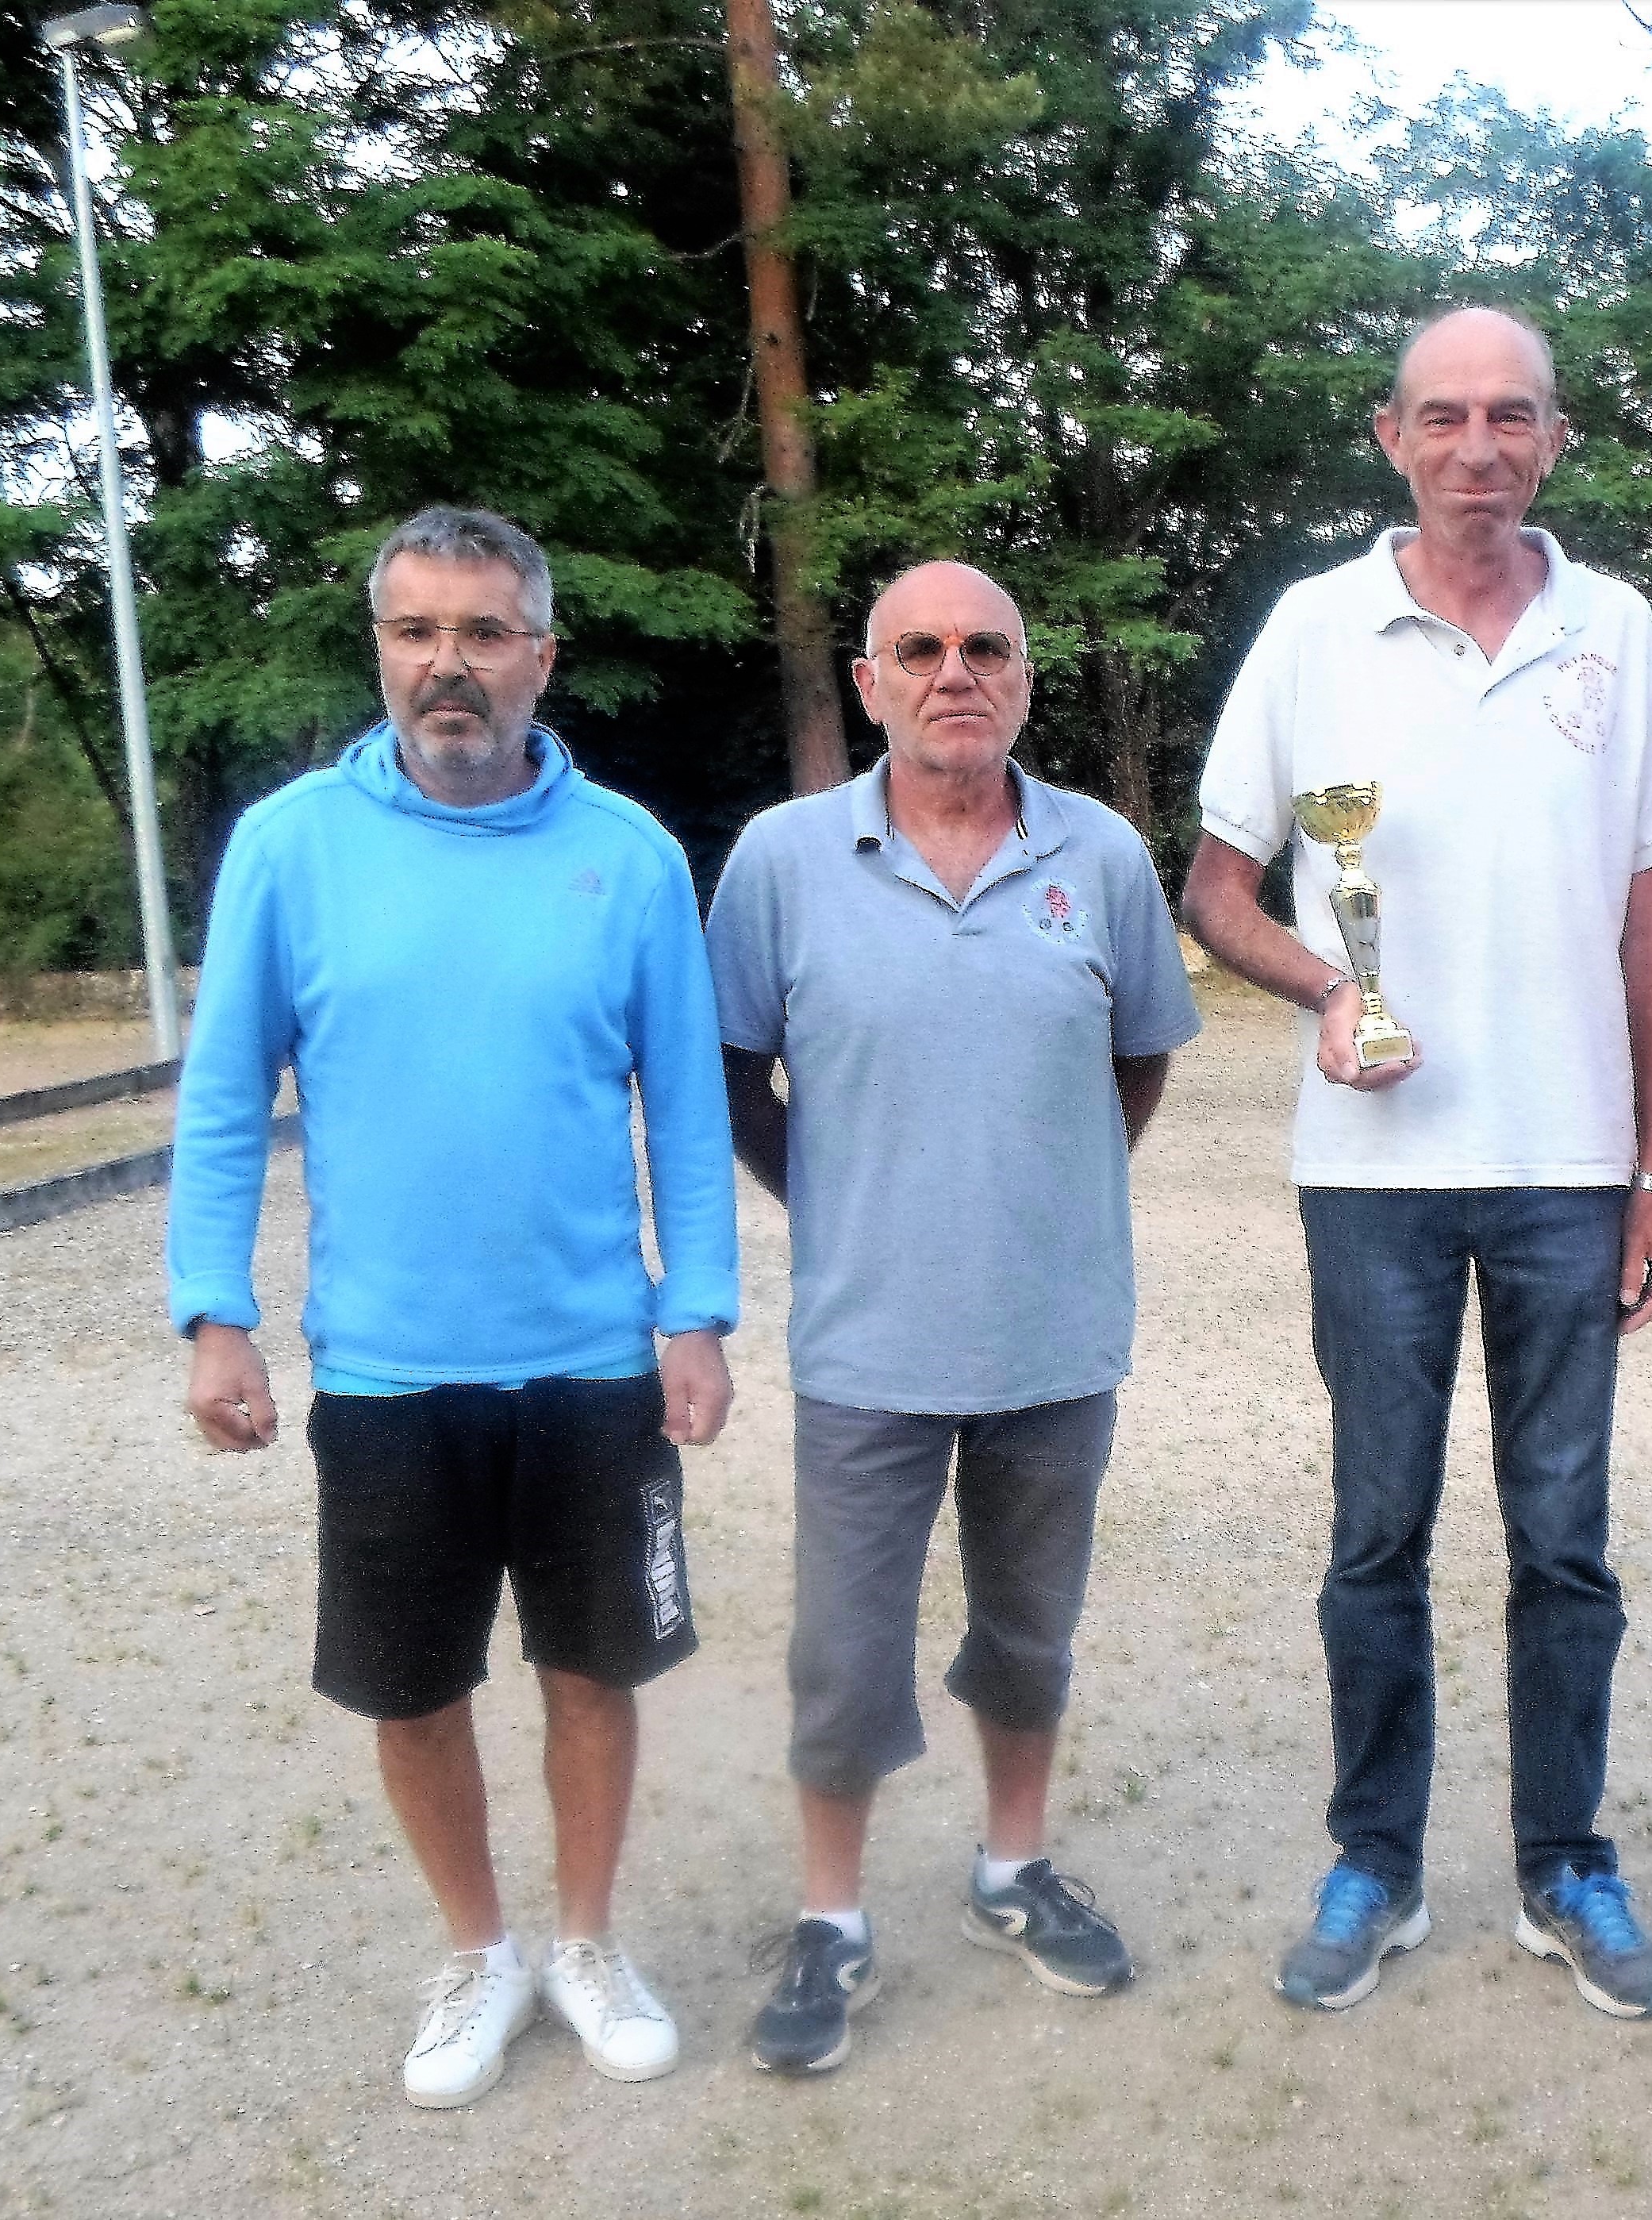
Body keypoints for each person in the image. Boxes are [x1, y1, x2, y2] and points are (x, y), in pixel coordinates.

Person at [167, 505, 739, 2107]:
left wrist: (694, 1309)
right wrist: (213, 1309)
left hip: (587, 1360)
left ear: (541, 657)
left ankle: (583, 1938)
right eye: (416, 631)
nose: (448, 665)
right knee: (413, 1685)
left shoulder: (625, 855)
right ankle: (478, 1949)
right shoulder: (289, 848)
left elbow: (684, 1108)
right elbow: (223, 1099)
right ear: (380, 650)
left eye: (484, 633)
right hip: (386, 1370)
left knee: (592, 1670)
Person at [1183, 307, 1652, 2021]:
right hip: (1373, 1172)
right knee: (1372, 1537)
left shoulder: (1615, 631)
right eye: (1444, 415)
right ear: (1387, 434)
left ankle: (1564, 1863)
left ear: (1554, 439)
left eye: (1512, 416)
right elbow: (1217, 887)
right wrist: (1336, 991)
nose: (1478, 444)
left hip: (1567, 1170)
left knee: (1564, 1540)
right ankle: (1376, 1862)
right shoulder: (1312, 628)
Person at [706, 560, 1201, 2074]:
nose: (953, 671)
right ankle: (832, 1917)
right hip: (870, 1345)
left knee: (1028, 1632)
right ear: (869, 684)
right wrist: (854, 1204)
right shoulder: (783, 861)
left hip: (1055, 1336)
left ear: (1025, 678)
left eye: (986, 645)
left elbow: (1137, 1058)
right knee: (845, 1653)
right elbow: (733, 1073)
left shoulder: (1100, 854)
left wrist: (1040, 1190)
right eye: (916, 649)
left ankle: (1011, 1866)